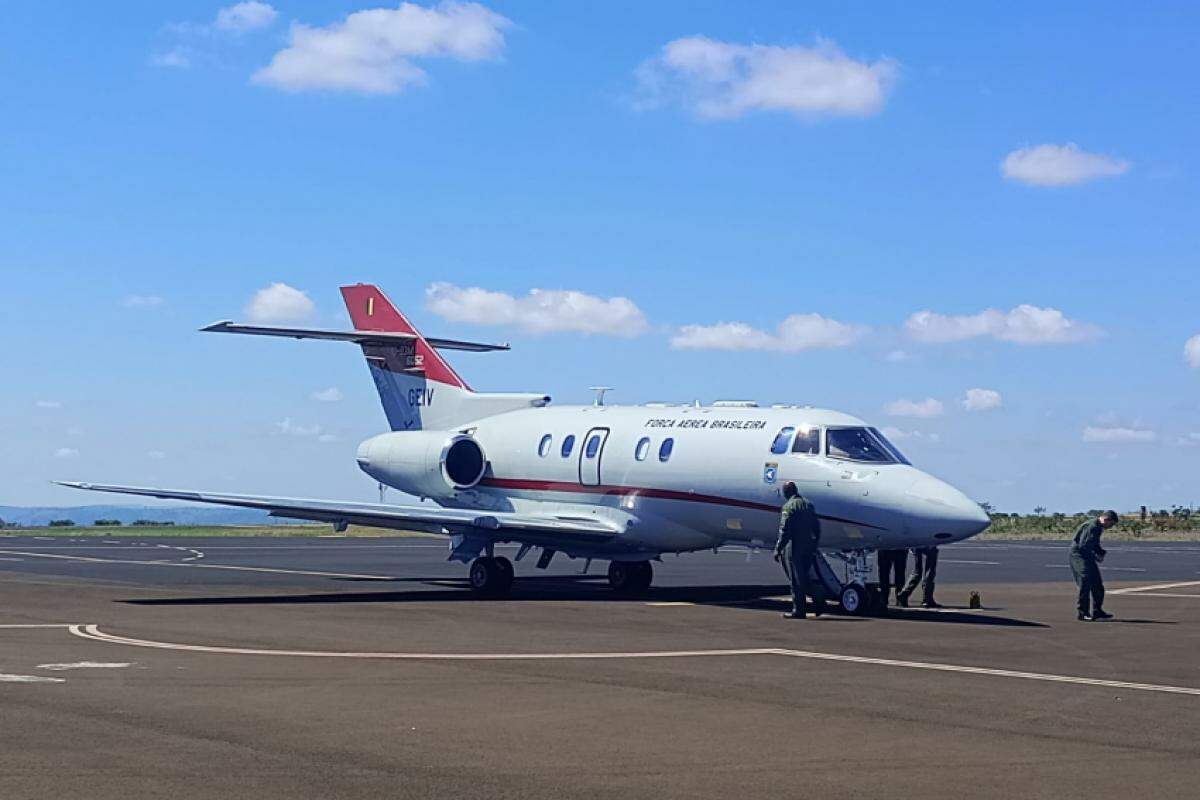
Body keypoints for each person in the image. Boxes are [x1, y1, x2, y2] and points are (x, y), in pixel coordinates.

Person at [773, 481, 823, 619]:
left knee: (796, 580)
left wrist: (778, 549)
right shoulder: (808, 505)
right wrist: (814, 545)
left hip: (796, 547)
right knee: (805, 577)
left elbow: (785, 531)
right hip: (809, 546)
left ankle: (799, 610)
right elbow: (817, 528)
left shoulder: (788, 507)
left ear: (787, 493)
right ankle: (818, 600)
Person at [1071, 510, 1118, 621]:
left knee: (1097, 584)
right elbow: (1083, 546)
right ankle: (1083, 612)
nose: (1110, 527)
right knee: (1085, 582)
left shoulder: (1098, 527)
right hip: (1079, 556)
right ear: (1106, 520)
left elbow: (1093, 543)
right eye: (1111, 524)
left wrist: (1100, 551)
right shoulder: (1092, 527)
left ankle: (1098, 611)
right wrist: (1095, 556)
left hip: (1088, 555)